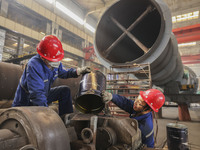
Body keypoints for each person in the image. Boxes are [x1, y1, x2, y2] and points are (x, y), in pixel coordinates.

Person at [12, 35, 91, 116]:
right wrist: (47, 114)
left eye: (57, 60)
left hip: (44, 94)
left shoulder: (54, 63)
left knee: (65, 91)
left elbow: (63, 73)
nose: (56, 63)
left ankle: (66, 118)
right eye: (53, 60)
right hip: (27, 101)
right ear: (43, 58)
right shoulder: (34, 65)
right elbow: (37, 94)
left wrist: (78, 71)